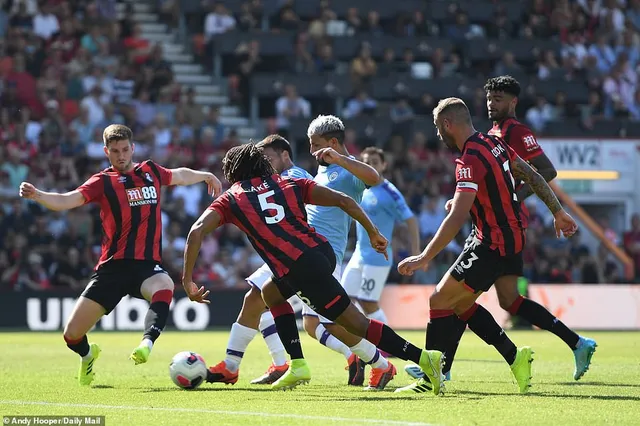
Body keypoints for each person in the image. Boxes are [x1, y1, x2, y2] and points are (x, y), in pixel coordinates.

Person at [181, 143, 444, 393]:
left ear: (234, 173)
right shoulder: (289, 181)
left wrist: (187, 281)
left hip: (301, 267)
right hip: (322, 253)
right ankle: (297, 364)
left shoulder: (232, 198)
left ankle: (424, 359)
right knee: (270, 292)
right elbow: (345, 201)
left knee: (355, 323)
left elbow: (196, 231)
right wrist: (372, 232)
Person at [406, 76, 597, 383]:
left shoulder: (472, 156)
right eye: (489, 99)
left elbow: (458, 216)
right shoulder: (495, 141)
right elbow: (532, 175)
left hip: (491, 240)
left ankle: (434, 375)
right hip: (513, 235)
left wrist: (424, 256)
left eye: (437, 126)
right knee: (490, 301)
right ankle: (520, 356)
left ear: (448, 124)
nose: (437, 134)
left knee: (441, 300)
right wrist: (557, 211)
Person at [18, 124, 221, 386]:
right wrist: (38, 195)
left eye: (125, 150)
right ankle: (88, 355)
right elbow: (68, 200)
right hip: (112, 269)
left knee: (165, 284)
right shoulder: (102, 182)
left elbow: (179, 174)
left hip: (146, 266)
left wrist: (205, 174)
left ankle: (147, 342)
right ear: (106, 152)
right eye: (115, 151)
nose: (121, 155)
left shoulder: (150, 171)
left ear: (132, 148)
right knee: (71, 335)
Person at [341, 147, 420, 324]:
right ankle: (361, 347)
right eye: (367, 163)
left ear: (384, 165)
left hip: (378, 258)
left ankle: (387, 343)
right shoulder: (362, 187)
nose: (371, 166)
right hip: (358, 255)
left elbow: (411, 220)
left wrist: (416, 254)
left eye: (375, 163)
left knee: (368, 302)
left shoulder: (390, 192)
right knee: (345, 301)